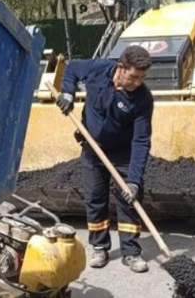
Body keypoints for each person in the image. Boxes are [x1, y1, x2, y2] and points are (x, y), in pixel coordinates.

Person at [56, 46, 154, 273]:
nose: (138, 82)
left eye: (142, 78)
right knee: (95, 198)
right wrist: (68, 93)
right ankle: (100, 247)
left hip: (123, 154)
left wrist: (134, 180)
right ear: (120, 68)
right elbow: (72, 69)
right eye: (133, 77)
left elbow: (141, 141)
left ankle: (131, 252)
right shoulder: (99, 69)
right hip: (92, 148)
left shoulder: (142, 99)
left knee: (129, 200)